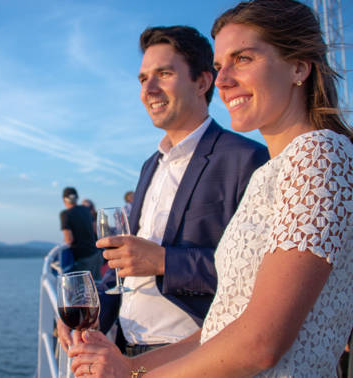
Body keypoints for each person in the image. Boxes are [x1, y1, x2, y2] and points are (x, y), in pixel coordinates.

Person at [68, 0, 353, 376]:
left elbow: (261, 343)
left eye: (244, 59)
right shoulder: (272, 174)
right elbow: (223, 325)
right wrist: (129, 367)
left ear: (298, 66)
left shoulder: (318, 154)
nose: (222, 80)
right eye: (220, 66)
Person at [58, 25, 269, 356]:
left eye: (164, 74)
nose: (149, 89)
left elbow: (263, 277)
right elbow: (125, 271)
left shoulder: (246, 159)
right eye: (143, 79)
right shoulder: (150, 166)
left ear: (202, 82)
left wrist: (163, 261)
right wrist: (90, 308)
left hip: (193, 353)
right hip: (128, 349)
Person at [59, 187, 101, 280]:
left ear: (64, 200)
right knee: (98, 285)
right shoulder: (85, 209)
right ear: (76, 198)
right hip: (96, 254)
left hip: (83, 258)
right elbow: (95, 229)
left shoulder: (65, 214)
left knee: (84, 290)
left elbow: (69, 239)